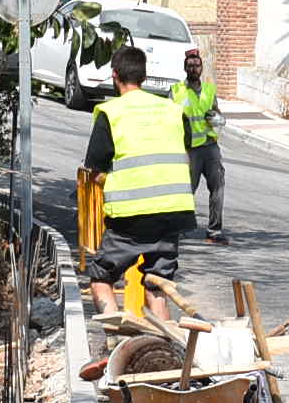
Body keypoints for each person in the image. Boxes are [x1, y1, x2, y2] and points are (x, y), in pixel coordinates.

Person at [80, 42, 196, 317]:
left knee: (101, 277)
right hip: (173, 212)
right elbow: (185, 155)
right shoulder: (173, 111)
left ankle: (114, 338)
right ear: (144, 77)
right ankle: (165, 346)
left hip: (130, 218)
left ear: (114, 76)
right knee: (157, 283)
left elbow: (95, 172)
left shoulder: (112, 113)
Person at [179, 45, 228, 244]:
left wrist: (217, 118)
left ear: (202, 68)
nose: (194, 69)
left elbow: (218, 114)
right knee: (186, 189)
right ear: (185, 68)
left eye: (197, 65)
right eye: (190, 66)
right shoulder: (177, 92)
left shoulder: (209, 90)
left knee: (218, 187)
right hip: (190, 149)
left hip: (210, 147)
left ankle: (214, 231)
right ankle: (179, 228)